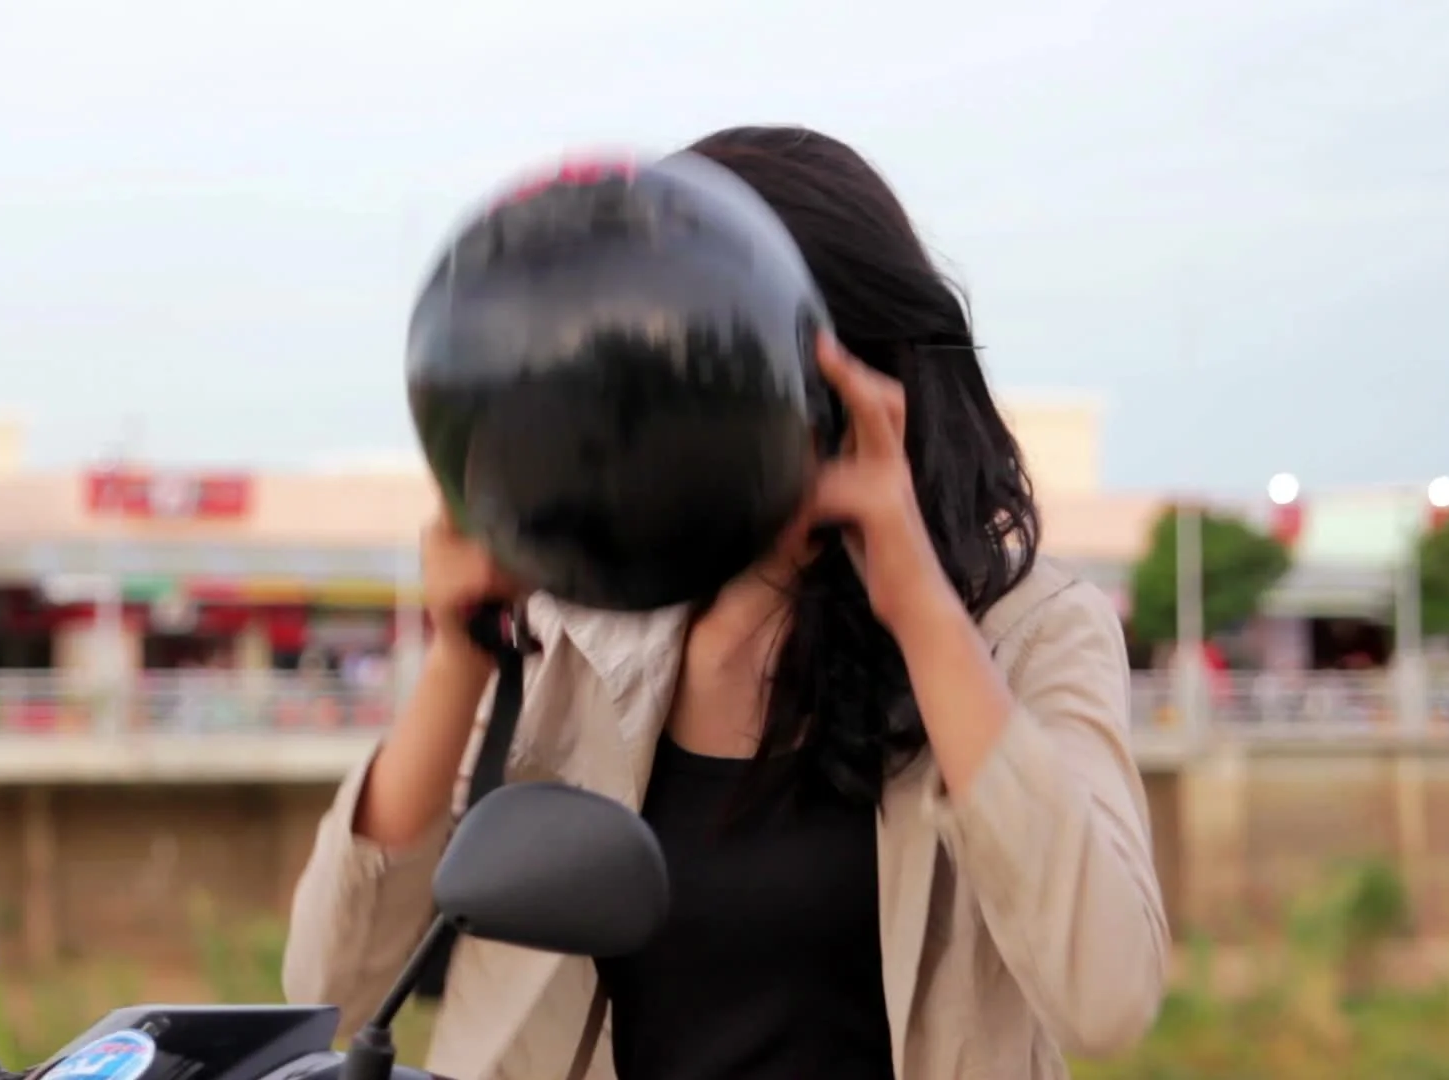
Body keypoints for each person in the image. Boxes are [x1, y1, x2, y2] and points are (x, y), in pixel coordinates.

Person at [283, 126, 1167, 1080]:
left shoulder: (1025, 632)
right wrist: (462, 653)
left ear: (837, 380)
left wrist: (921, 614)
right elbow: (328, 982)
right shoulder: (587, 626)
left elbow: (1105, 997)